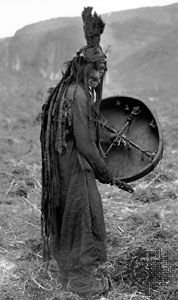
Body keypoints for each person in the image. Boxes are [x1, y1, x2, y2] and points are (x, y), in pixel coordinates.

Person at [40, 7, 133, 297]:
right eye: (95, 72)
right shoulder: (79, 96)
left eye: (102, 73)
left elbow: (77, 131)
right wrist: (108, 175)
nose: (98, 78)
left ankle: (70, 272)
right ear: (84, 68)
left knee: (69, 214)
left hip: (61, 164)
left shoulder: (65, 90)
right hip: (76, 166)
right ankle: (82, 283)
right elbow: (85, 142)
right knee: (83, 216)